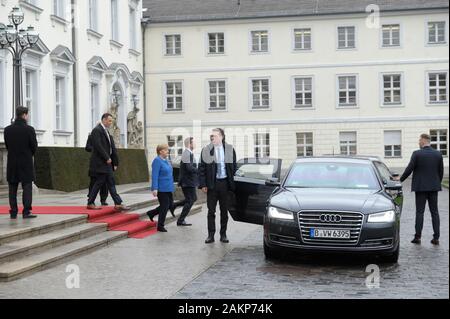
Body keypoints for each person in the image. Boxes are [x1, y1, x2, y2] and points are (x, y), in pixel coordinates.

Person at [396, 133, 444, 245]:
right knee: (435, 212)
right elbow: (440, 172)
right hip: (433, 188)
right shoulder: (438, 154)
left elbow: (409, 169)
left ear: (423, 140)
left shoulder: (417, 154)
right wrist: (436, 183)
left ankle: (417, 237)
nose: (418, 142)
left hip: (421, 188)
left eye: (419, 140)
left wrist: (400, 180)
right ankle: (436, 238)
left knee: (419, 212)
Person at [199, 128, 237, 244]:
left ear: (221, 137)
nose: (212, 138)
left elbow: (234, 167)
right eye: (211, 136)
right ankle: (211, 235)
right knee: (211, 211)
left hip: (225, 184)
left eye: (215, 136)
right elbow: (201, 169)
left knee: (224, 211)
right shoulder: (206, 150)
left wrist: (233, 184)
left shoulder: (229, 149)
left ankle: (223, 234)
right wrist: (203, 184)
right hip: (212, 184)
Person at [86, 113, 130, 211]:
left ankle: (118, 203)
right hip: (101, 162)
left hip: (107, 163)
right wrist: (106, 157)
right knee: (100, 182)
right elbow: (98, 146)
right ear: (104, 120)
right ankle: (90, 202)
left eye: (111, 121)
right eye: (109, 121)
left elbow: (111, 148)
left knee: (110, 182)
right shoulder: (97, 130)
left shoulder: (106, 131)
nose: (111, 123)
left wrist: (115, 162)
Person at [4, 107, 38, 219]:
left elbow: (8, 146)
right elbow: (34, 147)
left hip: (12, 162)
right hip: (26, 162)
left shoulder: (8, 129)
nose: (28, 117)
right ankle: (26, 211)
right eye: (27, 115)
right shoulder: (29, 129)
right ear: (24, 115)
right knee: (27, 187)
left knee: (12, 188)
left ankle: (13, 211)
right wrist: (28, 154)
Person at [147, 144, 175, 232]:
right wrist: (155, 188)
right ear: (160, 151)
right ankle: (160, 226)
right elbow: (154, 176)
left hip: (168, 187)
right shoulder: (157, 161)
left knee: (169, 205)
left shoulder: (166, 160)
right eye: (166, 150)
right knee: (165, 206)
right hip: (161, 188)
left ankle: (151, 213)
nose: (168, 151)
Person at [174, 137, 199, 226]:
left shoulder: (188, 153)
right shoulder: (187, 153)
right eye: (194, 142)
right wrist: (198, 170)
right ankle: (180, 220)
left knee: (193, 199)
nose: (195, 144)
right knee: (190, 200)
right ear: (190, 144)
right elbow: (189, 168)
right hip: (187, 182)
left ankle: (174, 206)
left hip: (189, 181)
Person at [85, 133, 109, 206]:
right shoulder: (91, 136)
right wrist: (96, 149)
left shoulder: (106, 136)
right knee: (93, 182)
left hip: (104, 162)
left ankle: (103, 199)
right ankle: (91, 199)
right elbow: (87, 147)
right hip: (95, 163)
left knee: (104, 183)